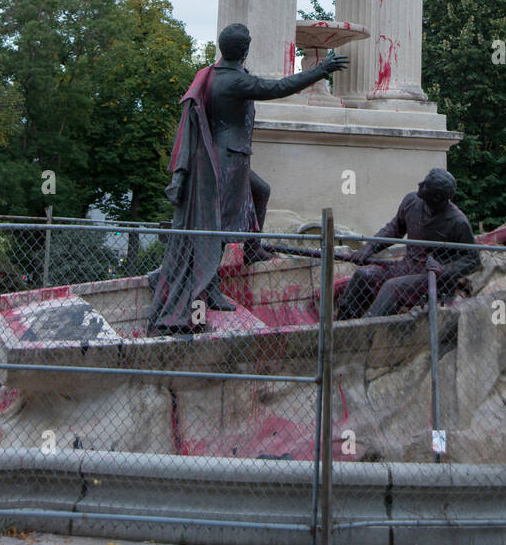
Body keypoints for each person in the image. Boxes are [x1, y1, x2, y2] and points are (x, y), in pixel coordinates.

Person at [148, 23, 348, 331]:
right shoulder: (232, 82)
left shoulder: (215, 74)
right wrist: (320, 70)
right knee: (217, 227)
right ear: (244, 50)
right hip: (226, 160)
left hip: (220, 155)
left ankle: (252, 249)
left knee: (260, 192)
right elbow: (278, 88)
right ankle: (208, 287)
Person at [336, 168, 480, 320]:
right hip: (407, 267)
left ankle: (365, 330)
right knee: (363, 275)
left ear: (437, 197)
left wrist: (444, 269)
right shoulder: (411, 201)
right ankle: (340, 327)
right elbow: (394, 228)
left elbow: (473, 260)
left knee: (392, 287)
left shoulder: (457, 222)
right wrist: (369, 248)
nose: (420, 184)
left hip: (433, 279)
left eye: (425, 185)